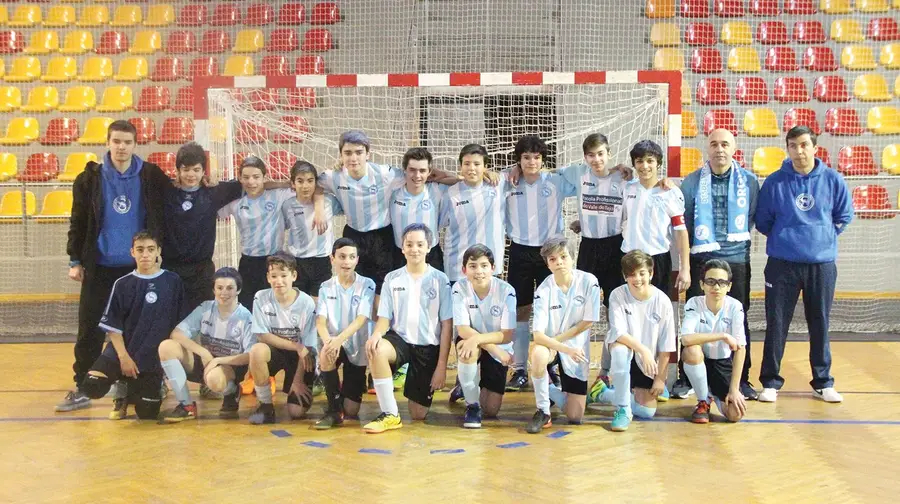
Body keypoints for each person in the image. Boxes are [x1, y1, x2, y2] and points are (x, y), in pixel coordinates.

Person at [58, 120, 171, 413]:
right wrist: (75, 259)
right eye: (116, 141)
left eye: (127, 142)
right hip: (100, 267)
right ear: (107, 143)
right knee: (90, 328)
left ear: (136, 144)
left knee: (142, 330)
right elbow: (78, 220)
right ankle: (83, 386)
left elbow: (173, 200)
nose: (121, 147)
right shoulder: (89, 178)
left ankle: (145, 382)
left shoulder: (150, 175)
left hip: (138, 271)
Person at [756, 126, 854, 404]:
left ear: (814, 147)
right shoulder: (775, 182)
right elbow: (763, 221)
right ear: (787, 149)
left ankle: (823, 382)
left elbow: (844, 216)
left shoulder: (833, 180)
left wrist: (821, 240)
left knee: (820, 323)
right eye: (792, 146)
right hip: (781, 264)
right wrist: (787, 238)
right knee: (776, 323)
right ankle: (770, 382)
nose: (798, 151)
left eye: (803, 145)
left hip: (821, 265)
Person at [317, 131, 457, 302]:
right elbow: (315, 184)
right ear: (341, 155)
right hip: (355, 234)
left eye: (359, 152)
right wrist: (318, 208)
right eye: (348, 153)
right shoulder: (333, 176)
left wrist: (433, 172)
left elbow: (450, 181)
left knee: (391, 288)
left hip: (385, 237)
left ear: (368, 154)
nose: (354, 158)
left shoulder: (385, 174)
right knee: (359, 285)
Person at [676, 129, 760, 401]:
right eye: (714, 144)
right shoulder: (690, 182)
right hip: (702, 257)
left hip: (736, 258)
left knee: (739, 318)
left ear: (734, 148)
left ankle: (742, 379)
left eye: (725, 144)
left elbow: (750, 218)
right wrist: (687, 266)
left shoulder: (749, 181)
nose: (719, 149)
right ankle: (685, 377)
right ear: (707, 149)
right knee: (692, 317)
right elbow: (685, 225)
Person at [79, 231, 186, 420]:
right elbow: (112, 326)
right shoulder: (122, 284)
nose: (145, 254)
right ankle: (122, 389)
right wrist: (123, 358)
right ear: (132, 253)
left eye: (150, 250)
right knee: (91, 386)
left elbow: (180, 323)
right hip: (123, 351)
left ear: (158, 252)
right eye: (140, 249)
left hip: (150, 356)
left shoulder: (172, 281)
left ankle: (146, 385)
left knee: (147, 413)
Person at [500, 136, 576, 393]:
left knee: (552, 310)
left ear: (543, 160)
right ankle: (520, 369)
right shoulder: (507, 182)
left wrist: (621, 172)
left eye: (536, 157)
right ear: (518, 160)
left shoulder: (556, 181)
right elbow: (481, 176)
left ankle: (550, 365)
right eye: (525, 157)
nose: (531, 162)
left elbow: (590, 178)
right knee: (521, 310)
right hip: (520, 251)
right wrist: (509, 171)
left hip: (551, 254)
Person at [362, 224, 452, 433]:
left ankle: (416, 387)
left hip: (427, 348)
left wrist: (441, 366)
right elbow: (384, 318)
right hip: (399, 341)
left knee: (418, 414)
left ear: (429, 247)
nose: (414, 249)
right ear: (402, 248)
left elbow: (447, 325)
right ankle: (390, 414)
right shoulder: (392, 278)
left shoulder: (440, 280)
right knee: (376, 348)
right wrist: (376, 334)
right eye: (409, 244)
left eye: (420, 244)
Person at [158, 267, 255, 422]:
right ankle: (187, 406)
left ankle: (232, 391)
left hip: (230, 365)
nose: (224, 293)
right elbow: (176, 333)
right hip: (205, 360)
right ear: (213, 290)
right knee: (166, 347)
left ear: (238, 290)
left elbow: (249, 356)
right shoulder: (205, 308)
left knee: (214, 379)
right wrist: (203, 353)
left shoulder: (246, 317)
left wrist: (217, 361)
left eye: (230, 288)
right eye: (220, 288)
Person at [525, 237, 601, 433]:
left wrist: (558, 343)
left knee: (575, 416)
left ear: (572, 258)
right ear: (547, 264)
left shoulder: (588, 281)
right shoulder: (543, 290)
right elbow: (538, 336)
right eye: (552, 259)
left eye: (563, 257)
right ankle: (543, 411)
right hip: (554, 345)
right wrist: (561, 347)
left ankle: (547, 387)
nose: (559, 262)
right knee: (539, 354)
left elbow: (588, 321)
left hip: (573, 345)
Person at [602, 250, 676, 432]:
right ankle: (623, 410)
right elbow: (618, 332)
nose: (637, 279)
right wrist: (643, 350)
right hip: (628, 350)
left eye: (642, 273)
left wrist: (660, 379)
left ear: (651, 273)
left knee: (646, 412)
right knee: (619, 350)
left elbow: (667, 345)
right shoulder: (617, 295)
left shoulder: (662, 301)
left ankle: (603, 393)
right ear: (625, 276)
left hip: (648, 362)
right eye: (632, 274)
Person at [246, 253, 319, 424]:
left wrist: (298, 381)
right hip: (280, 351)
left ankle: (308, 382)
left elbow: (307, 347)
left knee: (296, 412)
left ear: (294, 276)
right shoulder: (260, 298)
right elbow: (262, 334)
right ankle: (265, 406)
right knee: (257, 350)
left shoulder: (306, 303)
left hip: (303, 357)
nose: (279, 281)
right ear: (268, 278)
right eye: (274, 276)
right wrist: (295, 346)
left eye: (284, 275)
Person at [217, 156, 298, 310]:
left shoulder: (279, 195)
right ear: (240, 178)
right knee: (248, 308)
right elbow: (213, 212)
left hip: (275, 261)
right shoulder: (235, 202)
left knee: (276, 308)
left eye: (256, 177)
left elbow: (307, 185)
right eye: (246, 177)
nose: (251, 182)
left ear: (264, 177)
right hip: (248, 263)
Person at [313, 238, 377, 429]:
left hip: (356, 345)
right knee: (325, 353)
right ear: (332, 259)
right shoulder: (326, 286)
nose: (346, 261)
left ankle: (340, 396)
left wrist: (339, 339)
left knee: (352, 410)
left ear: (357, 260)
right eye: (341, 257)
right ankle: (333, 409)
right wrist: (328, 341)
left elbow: (361, 319)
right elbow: (320, 321)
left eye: (351, 257)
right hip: (333, 342)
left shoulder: (367, 284)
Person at [451, 244, 517, 428]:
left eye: (484, 265)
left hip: (498, 343)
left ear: (493, 268)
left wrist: (482, 341)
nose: (478, 271)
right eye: (472, 266)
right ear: (464, 270)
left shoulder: (507, 291)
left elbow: (507, 335)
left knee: (491, 410)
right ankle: (472, 406)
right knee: (467, 348)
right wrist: (491, 348)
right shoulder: (459, 288)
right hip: (474, 341)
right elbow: (463, 330)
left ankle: (465, 387)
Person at [680, 260, 747, 424]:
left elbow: (740, 348)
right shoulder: (694, 303)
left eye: (721, 283)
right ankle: (703, 401)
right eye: (710, 282)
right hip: (698, 361)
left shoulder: (735, 307)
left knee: (735, 414)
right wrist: (722, 335)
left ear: (729, 286)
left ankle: (713, 395)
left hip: (722, 364)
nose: (716, 287)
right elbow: (686, 338)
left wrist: (734, 389)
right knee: (692, 350)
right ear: (702, 284)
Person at [621, 139, 690, 296]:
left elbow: (681, 232)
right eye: (639, 161)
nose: (645, 166)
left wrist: (685, 269)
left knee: (657, 311)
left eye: (650, 161)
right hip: (629, 257)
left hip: (658, 260)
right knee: (631, 309)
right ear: (634, 164)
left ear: (658, 163)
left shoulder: (671, 192)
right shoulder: (627, 188)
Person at [439, 144, 510, 285]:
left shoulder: (498, 184)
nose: (471, 168)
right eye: (467, 164)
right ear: (460, 166)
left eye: (477, 164)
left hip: (490, 267)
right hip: (458, 268)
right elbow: (438, 224)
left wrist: (491, 173)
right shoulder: (450, 193)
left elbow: (526, 170)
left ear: (485, 166)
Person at [283, 160, 343, 301]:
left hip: (321, 261)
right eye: (300, 181)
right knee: (299, 305)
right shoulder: (287, 205)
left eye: (310, 181)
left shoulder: (329, 202)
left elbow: (344, 192)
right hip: (297, 262)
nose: (305, 186)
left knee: (320, 307)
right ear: (293, 184)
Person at [389, 147, 446, 271]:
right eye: (412, 170)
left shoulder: (436, 190)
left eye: (422, 170)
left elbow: (462, 181)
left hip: (431, 255)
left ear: (430, 171)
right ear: (404, 170)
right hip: (400, 255)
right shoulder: (392, 193)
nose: (417, 175)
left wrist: (442, 174)